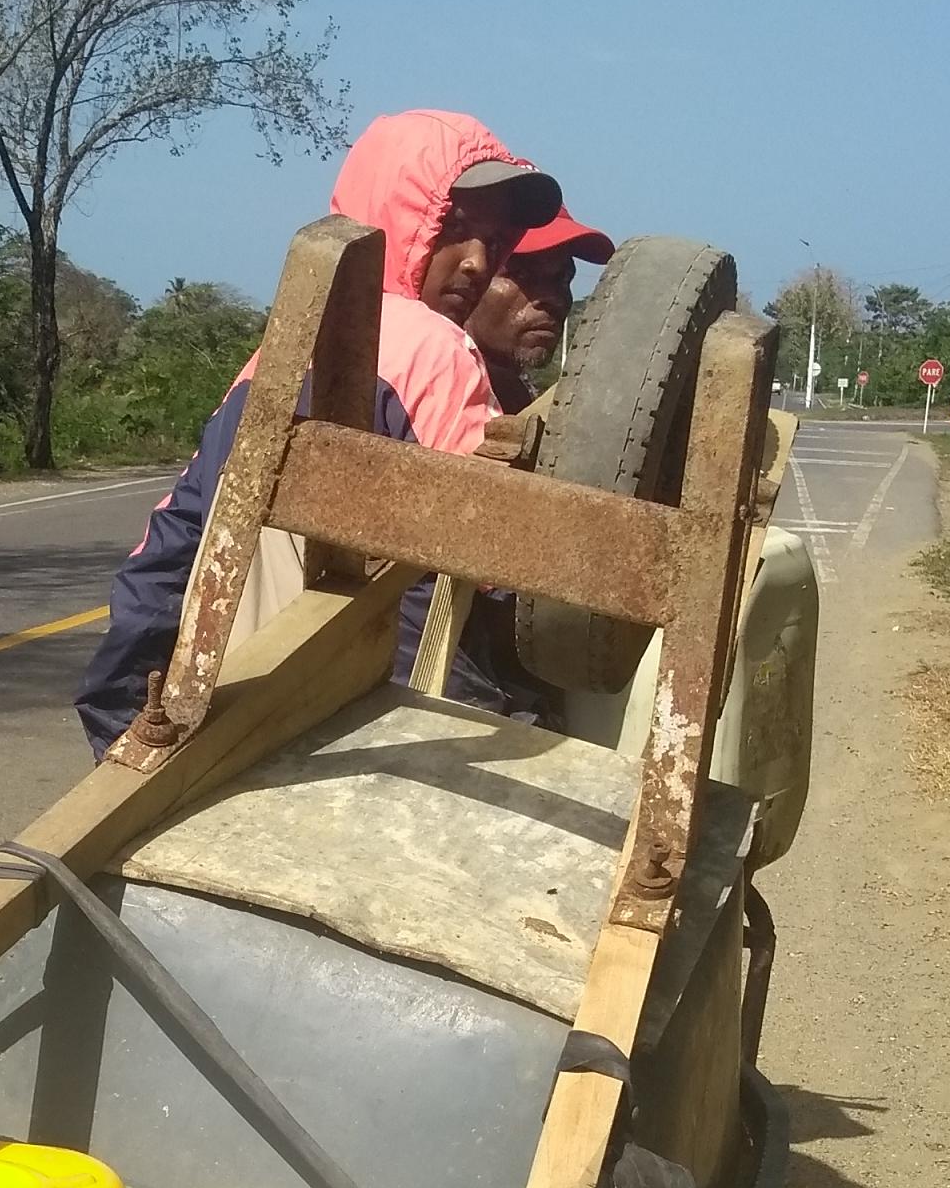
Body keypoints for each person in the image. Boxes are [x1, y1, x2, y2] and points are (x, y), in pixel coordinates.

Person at [69, 110, 562, 756]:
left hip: (238, 710)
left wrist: (122, 716)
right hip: (384, 727)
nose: (474, 262)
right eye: (455, 229)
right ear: (401, 217)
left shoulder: (276, 354)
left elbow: (172, 548)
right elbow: (485, 574)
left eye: (493, 243)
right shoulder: (431, 346)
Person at [465, 206, 614, 413]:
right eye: (521, 275)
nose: (554, 299)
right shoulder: (429, 388)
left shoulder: (521, 399)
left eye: (562, 279)